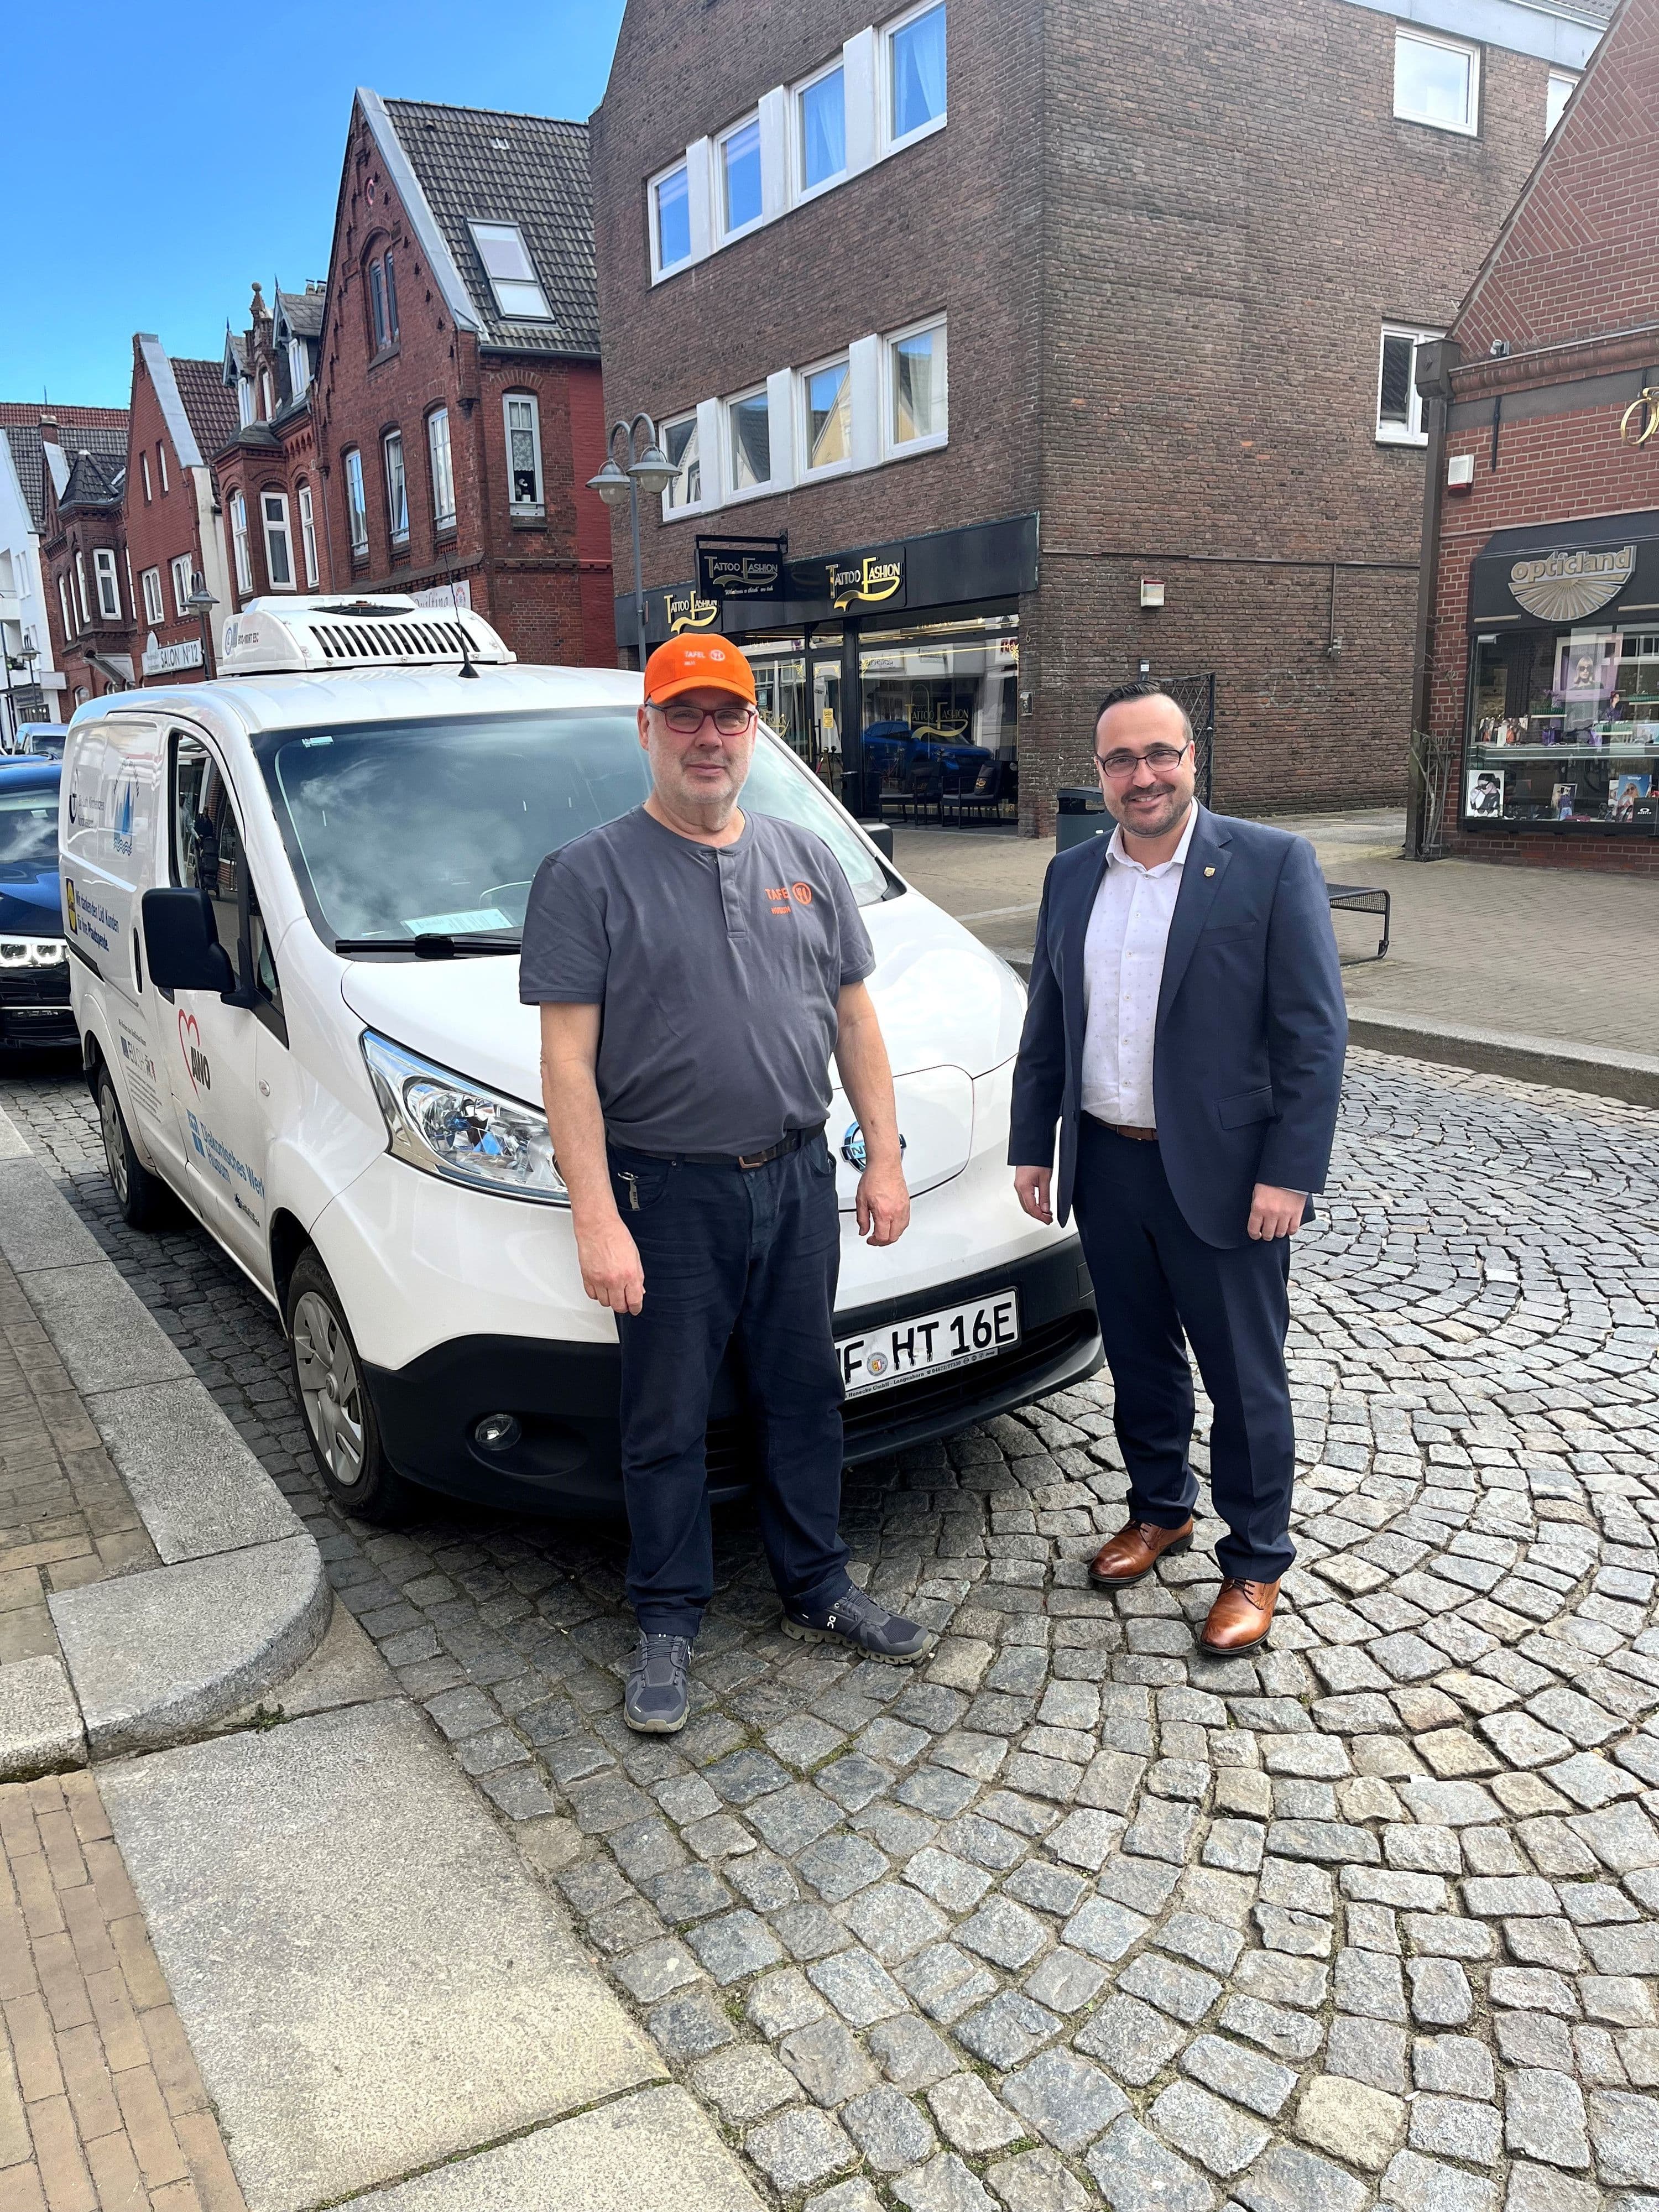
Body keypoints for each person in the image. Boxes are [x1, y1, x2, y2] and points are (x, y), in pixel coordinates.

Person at [520, 632, 932, 1734]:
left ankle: (818, 1582)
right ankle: (667, 1614)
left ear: (754, 731)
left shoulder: (805, 856)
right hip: (667, 1195)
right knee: (665, 1415)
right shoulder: (587, 873)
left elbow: (853, 1016)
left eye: (729, 717)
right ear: (645, 730)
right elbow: (566, 1063)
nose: (709, 737)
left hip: (797, 1178)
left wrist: (883, 1155)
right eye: (686, 716)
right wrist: (597, 1218)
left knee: (804, 1392)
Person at [1009, 684, 1346, 1653]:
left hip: (1231, 1178)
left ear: (1193, 756)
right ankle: (1161, 1509)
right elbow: (1050, 1022)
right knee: (1140, 1356)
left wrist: (1290, 1173)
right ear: (1100, 774)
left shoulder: (1271, 865)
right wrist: (1036, 1140)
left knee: (1246, 1378)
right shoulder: (1074, 874)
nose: (1142, 777)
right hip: (1109, 1163)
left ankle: (1256, 1561)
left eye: (1159, 754)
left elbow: (1314, 1036)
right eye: (1120, 761)